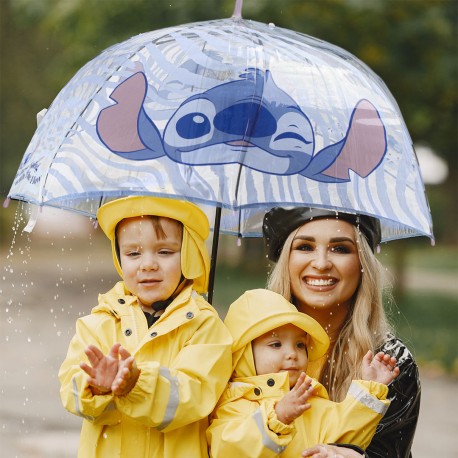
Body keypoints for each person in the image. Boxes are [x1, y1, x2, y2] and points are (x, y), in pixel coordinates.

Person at [58, 195, 232, 458]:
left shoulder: (204, 326)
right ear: (119, 259)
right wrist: (97, 388)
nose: (148, 264)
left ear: (189, 256)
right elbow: (70, 392)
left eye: (165, 252)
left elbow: (194, 396)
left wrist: (136, 385)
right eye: (133, 253)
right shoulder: (99, 322)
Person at [262, 207, 421, 458]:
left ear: (362, 264)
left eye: (340, 249)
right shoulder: (249, 345)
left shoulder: (390, 361)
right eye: (305, 247)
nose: (322, 263)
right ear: (286, 260)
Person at [207, 288, 399, 457]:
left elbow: (347, 437)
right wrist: (276, 418)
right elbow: (227, 450)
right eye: (275, 345)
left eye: (300, 344)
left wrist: (370, 391)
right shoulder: (235, 405)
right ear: (244, 355)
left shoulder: (309, 401)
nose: (292, 354)